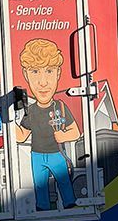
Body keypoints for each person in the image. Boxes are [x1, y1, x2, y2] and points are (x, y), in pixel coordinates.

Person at [13, 37, 79, 208]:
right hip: (37, 156)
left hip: (56, 155)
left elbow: (75, 132)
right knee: (40, 187)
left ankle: (70, 205)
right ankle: (42, 208)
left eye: (49, 71)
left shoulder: (61, 107)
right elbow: (21, 136)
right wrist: (7, 123)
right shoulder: (31, 110)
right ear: (26, 75)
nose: (43, 82)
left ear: (58, 73)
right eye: (35, 72)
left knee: (64, 184)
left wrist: (63, 136)